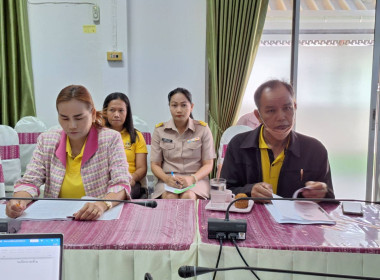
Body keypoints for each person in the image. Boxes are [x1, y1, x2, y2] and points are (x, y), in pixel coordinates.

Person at [6, 85, 131, 220]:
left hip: (95, 220)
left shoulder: (110, 139)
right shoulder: (47, 140)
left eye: (79, 118)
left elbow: (121, 183)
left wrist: (102, 204)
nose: (72, 125)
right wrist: (19, 201)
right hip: (56, 220)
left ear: (93, 114)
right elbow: (30, 181)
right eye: (64, 118)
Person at [221, 80, 334, 201]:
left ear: (295, 107)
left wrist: (323, 193)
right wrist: (249, 191)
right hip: (251, 219)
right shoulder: (238, 145)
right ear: (258, 116)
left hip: (295, 219)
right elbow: (224, 191)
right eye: (271, 111)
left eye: (287, 108)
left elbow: (330, 202)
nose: (281, 117)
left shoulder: (315, 150)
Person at [150, 87, 215, 199]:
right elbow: (155, 165)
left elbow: (208, 164)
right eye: (174, 105)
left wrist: (192, 178)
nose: (179, 110)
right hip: (168, 179)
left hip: (196, 180)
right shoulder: (160, 130)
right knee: (170, 197)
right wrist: (166, 179)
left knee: (188, 196)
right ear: (169, 107)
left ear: (191, 107)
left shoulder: (203, 129)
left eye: (184, 105)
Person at [103, 92, 148, 199]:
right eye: (112, 110)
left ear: (127, 113)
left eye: (121, 110)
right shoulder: (98, 135)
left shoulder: (136, 136)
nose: (116, 114)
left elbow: (142, 168)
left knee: (120, 195)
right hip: (103, 182)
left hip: (129, 181)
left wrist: (132, 178)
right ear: (105, 112)